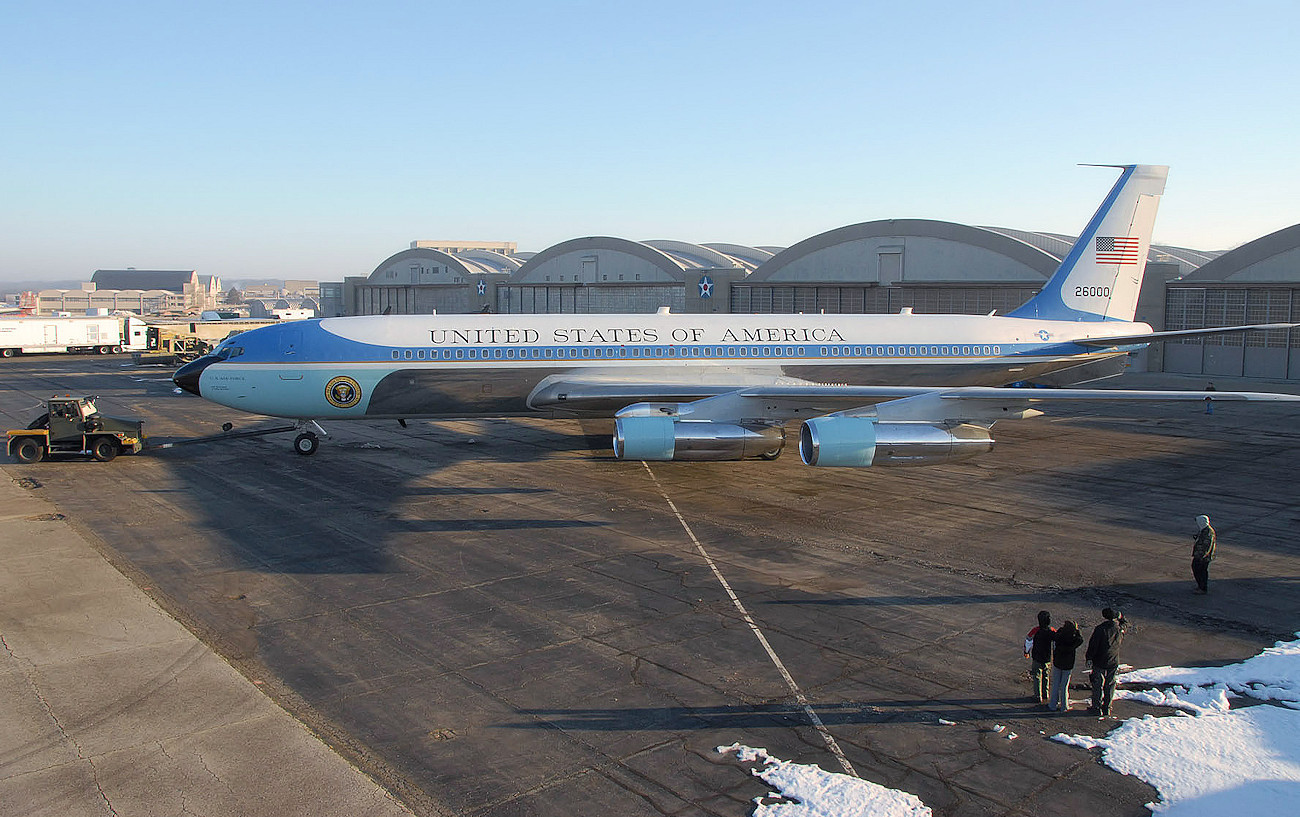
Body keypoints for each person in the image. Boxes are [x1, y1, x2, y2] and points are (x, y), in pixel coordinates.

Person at [1085, 608, 1128, 717]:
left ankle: (1096, 707)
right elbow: (1125, 624)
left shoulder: (1100, 629)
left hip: (1099, 660)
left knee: (1097, 684)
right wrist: (1121, 617)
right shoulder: (1119, 629)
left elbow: (1093, 645)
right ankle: (1107, 707)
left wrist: (1089, 657)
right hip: (1113, 660)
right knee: (1110, 684)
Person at [1048, 620, 1084, 712]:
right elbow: (1080, 640)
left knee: (1056, 684)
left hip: (1058, 662)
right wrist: (1077, 631)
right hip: (1068, 664)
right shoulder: (1074, 638)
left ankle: (1053, 705)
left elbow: (1054, 636)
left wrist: (1061, 630)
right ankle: (1064, 706)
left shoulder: (1060, 635)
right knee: (1064, 686)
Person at [1023, 610, 1055, 704]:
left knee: (1037, 677)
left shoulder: (1035, 630)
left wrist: (1026, 652)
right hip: (1047, 657)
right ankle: (1045, 694)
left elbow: (1028, 641)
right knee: (1046, 676)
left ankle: (1038, 695)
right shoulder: (1052, 631)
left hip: (1037, 657)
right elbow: (1056, 643)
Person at [1192, 514, 1217, 594]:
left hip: (1203, 557)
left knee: (1201, 571)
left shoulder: (1208, 532)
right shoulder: (1204, 530)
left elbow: (1207, 546)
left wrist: (1202, 556)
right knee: (1198, 570)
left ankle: (1202, 588)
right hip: (1200, 555)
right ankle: (1201, 586)